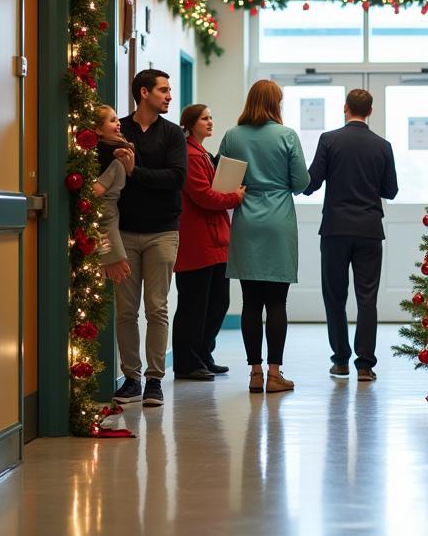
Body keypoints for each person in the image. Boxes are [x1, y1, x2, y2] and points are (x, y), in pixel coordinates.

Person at [218, 80, 310, 394]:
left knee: (250, 303)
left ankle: (254, 373)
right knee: (277, 302)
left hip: (246, 220)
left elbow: (224, 183)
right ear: (276, 103)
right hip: (278, 220)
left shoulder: (232, 136)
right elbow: (301, 182)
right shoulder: (287, 136)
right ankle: (274, 374)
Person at [303, 88, 398, 382]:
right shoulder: (383, 145)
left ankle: (341, 360)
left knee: (335, 296)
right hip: (369, 230)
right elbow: (390, 191)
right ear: (370, 111)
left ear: (345, 108)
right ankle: (366, 365)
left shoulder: (329, 140)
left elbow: (312, 182)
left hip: (335, 229)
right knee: (367, 297)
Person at [113, 69, 187, 408]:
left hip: (163, 231)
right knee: (126, 310)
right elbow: (110, 180)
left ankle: (155, 380)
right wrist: (128, 175)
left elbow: (175, 178)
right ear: (144, 93)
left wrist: (135, 173)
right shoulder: (119, 131)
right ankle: (131, 378)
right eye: (163, 90)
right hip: (124, 232)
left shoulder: (173, 134)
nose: (169, 96)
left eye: (169, 90)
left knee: (157, 307)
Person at [173, 104, 246, 381]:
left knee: (217, 302)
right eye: (205, 118)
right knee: (194, 304)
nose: (210, 122)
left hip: (215, 238)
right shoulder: (190, 155)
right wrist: (234, 198)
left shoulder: (202, 153)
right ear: (190, 124)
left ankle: (203, 354)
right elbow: (203, 195)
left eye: (211, 117)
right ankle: (187, 362)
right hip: (197, 239)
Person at [92, 105, 135, 284]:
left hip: (107, 218)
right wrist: (115, 256)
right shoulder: (112, 159)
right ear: (98, 130)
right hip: (105, 218)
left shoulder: (117, 154)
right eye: (112, 120)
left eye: (117, 119)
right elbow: (96, 191)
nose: (118, 124)